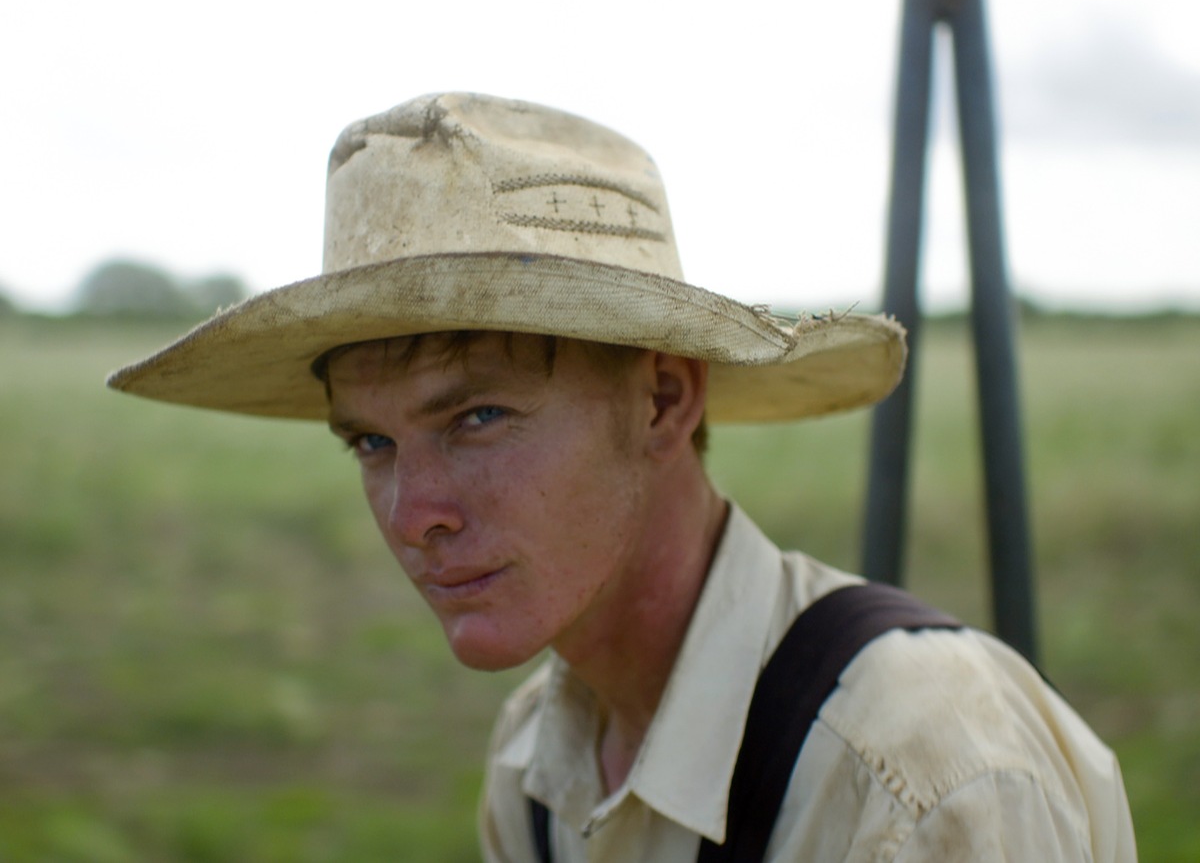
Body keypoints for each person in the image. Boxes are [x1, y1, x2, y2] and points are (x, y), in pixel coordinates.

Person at [108, 92, 1136, 861]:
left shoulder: (925, 779)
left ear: (663, 401)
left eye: (477, 417)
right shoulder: (537, 768)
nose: (413, 515)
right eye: (369, 444)